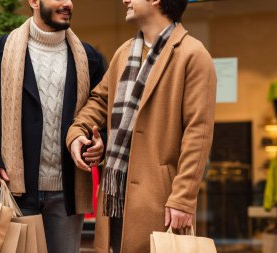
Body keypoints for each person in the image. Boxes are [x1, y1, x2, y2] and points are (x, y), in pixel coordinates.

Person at [66, 0, 217, 252]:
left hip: (160, 199)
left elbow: (197, 134)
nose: (125, 0)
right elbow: (100, 101)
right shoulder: (123, 53)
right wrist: (77, 132)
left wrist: (183, 198)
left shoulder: (193, 54)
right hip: (114, 198)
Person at [0, 0, 105, 252]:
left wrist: (99, 143)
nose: (68, 3)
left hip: (67, 193)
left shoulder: (90, 58)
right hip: (16, 189)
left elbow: (101, 116)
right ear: (33, 1)